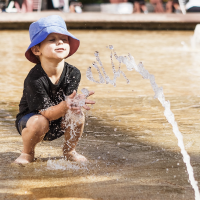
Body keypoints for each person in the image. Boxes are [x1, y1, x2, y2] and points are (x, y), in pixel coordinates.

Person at [14, 15, 95, 164]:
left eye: (64, 39)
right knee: (40, 122)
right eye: (52, 39)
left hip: (59, 119)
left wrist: (75, 104)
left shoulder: (73, 73)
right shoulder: (35, 78)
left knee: (77, 114)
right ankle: (27, 153)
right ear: (37, 49)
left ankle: (70, 151)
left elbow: (69, 103)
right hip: (32, 121)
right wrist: (66, 105)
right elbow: (47, 114)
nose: (60, 42)